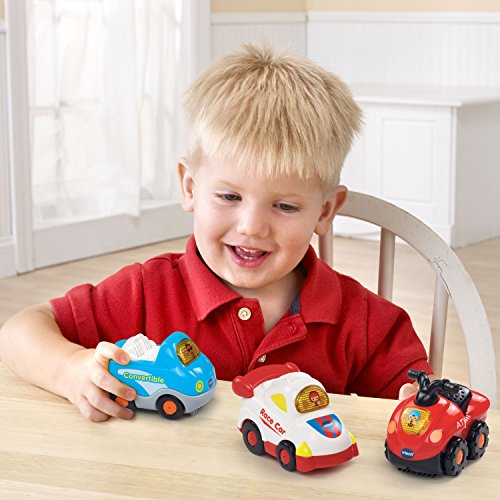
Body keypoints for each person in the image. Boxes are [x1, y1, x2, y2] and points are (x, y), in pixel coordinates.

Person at [0, 43, 431, 422]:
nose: (252, 226)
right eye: (229, 196)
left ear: (325, 211)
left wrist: (419, 405)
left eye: (284, 206)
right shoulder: (147, 292)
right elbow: (19, 331)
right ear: (190, 187)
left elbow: (418, 403)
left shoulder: (367, 322)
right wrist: (69, 369)